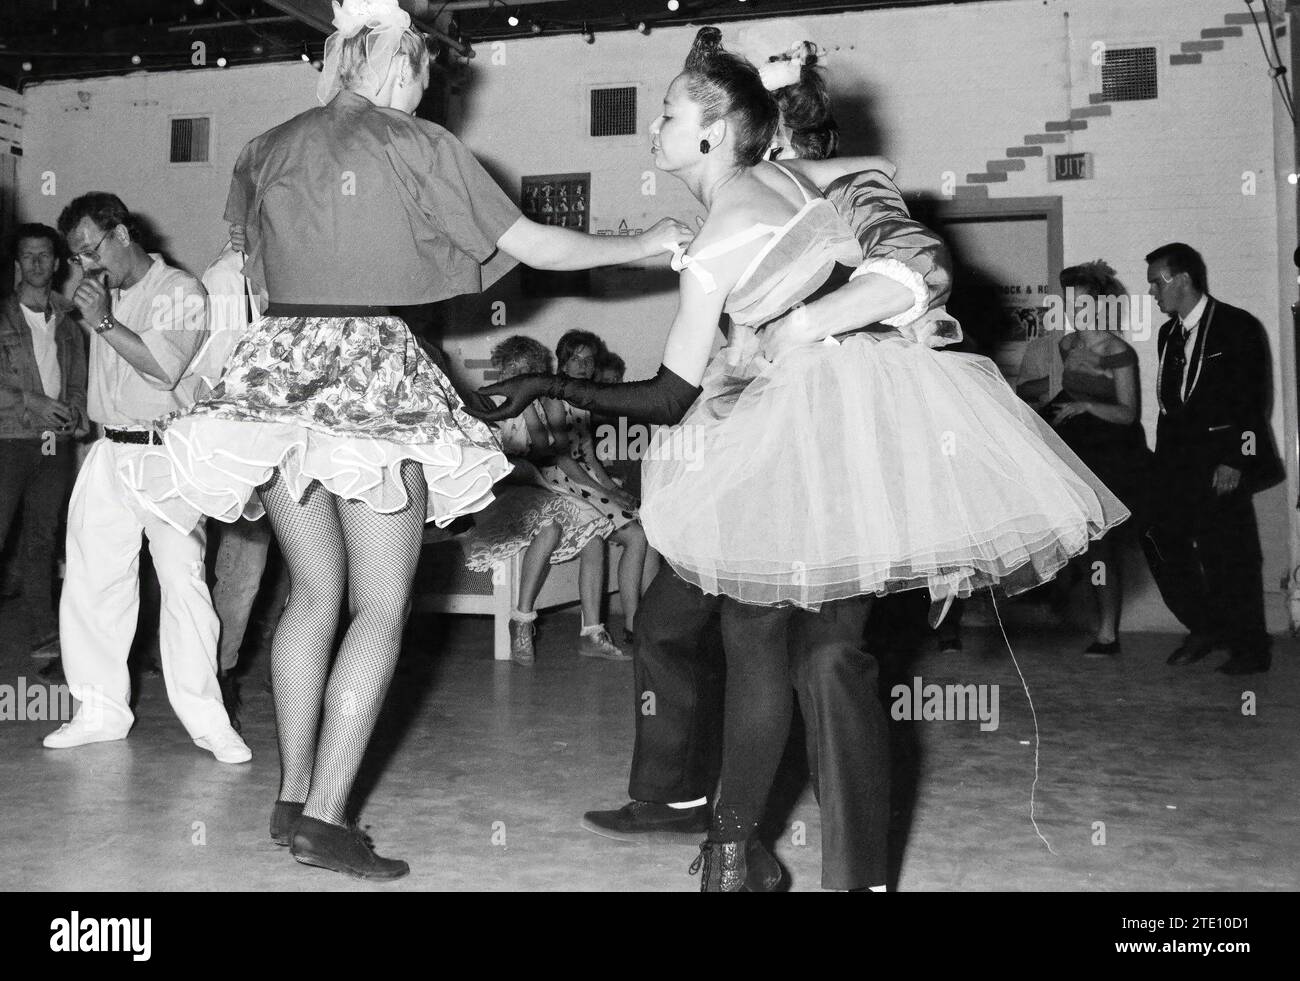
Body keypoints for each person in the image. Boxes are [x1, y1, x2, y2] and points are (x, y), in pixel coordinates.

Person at [477, 27, 1126, 891]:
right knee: (751, 639)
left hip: (838, 431)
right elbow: (701, 367)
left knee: (802, 654)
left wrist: (551, 385)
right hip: (814, 430)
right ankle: (733, 849)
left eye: (666, 114)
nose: (652, 131)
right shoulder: (782, 185)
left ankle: (783, 859)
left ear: (721, 132)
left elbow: (676, 391)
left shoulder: (788, 201)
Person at [124, 0, 689, 880]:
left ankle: (292, 793)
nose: (431, 88)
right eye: (427, 70)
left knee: (311, 596)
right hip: (374, 373)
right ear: (399, 62)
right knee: (381, 608)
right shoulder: (417, 143)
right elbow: (533, 243)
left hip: (276, 374)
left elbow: (254, 265)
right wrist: (647, 239)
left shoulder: (265, 146)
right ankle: (326, 819)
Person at [39, 193, 251, 766]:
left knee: (184, 587)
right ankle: (100, 711)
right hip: (109, 452)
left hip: (165, 454)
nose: (84, 266)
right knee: (92, 582)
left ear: (123, 234)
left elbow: (163, 370)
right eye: (76, 258)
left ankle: (209, 721)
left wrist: (102, 321)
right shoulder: (101, 293)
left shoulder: (180, 291)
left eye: (90, 250)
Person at [1143, 243, 1281, 675]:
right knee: (1158, 537)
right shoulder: (1169, 334)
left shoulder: (1237, 326)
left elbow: (1253, 402)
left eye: (1156, 281)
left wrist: (1237, 460)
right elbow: (1171, 404)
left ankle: (1250, 650)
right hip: (1177, 465)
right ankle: (1207, 625)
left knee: (1231, 555)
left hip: (1223, 463)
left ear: (1182, 279)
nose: (1151, 292)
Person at [465, 335, 614, 665]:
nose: (520, 375)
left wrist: (530, 407)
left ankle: (592, 631)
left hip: (533, 486)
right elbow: (490, 462)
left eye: (529, 370)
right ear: (503, 370)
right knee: (549, 526)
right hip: (497, 492)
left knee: (594, 530)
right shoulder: (485, 403)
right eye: (514, 368)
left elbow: (545, 450)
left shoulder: (540, 407)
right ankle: (521, 620)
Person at [1047, 260, 1152, 656]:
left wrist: (1086, 406)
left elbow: (1127, 413)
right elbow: (1067, 393)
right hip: (1075, 447)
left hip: (1111, 453)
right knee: (1073, 538)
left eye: (1082, 305)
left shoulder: (1118, 351)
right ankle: (1066, 598)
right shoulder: (1069, 344)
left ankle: (1107, 634)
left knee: (1102, 546)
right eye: (1070, 305)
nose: (1074, 312)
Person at [0, 223, 88, 656]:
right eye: (27, 256)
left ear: (56, 264)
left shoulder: (69, 320)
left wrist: (73, 409)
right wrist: (31, 401)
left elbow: (76, 382)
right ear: (17, 263)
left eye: (43, 256)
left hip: (53, 442)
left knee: (42, 535)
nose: (36, 263)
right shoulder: (2, 316)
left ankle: (43, 633)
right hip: (9, 438)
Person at [545, 330, 651, 650]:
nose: (581, 365)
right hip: (561, 477)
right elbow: (564, 458)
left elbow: (589, 453)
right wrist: (601, 490)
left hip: (585, 474)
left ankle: (634, 624)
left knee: (638, 534)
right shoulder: (554, 395)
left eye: (587, 360)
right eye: (574, 359)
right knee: (603, 533)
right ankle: (594, 631)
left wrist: (612, 490)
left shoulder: (584, 396)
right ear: (563, 362)